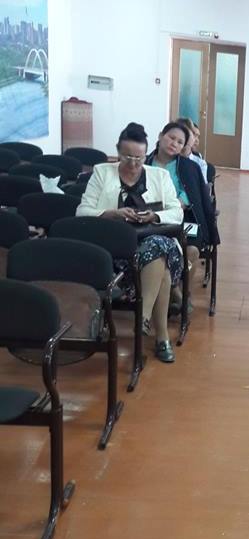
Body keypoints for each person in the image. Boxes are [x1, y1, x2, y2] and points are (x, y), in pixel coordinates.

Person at [76, 122, 183, 362]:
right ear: (117, 152)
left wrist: (154, 216)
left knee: (157, 246)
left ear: (146, 154)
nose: (133, 164)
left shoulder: (160, 176)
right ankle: (161, 337)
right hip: (115, 250)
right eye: (127, 157)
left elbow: (177, 212)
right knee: (162, 269)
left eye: (139, 158)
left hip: (152, 240)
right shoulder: (102, 172)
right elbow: (82, 211)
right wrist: (111, 213)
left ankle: (142, 318)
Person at [147, 122, 220, 312]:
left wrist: (173, 206)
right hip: (151, 218)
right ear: (161, 136)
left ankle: (182, 290)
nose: (174, 144)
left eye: (180, 142)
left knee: (192, 251)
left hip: (184, 217)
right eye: (171, 138)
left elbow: (190, 195)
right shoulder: (145, 162)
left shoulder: (189, 167)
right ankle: (173, 290)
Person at [176, 117, 208, 183]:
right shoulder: (170, 159)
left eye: (197, 136)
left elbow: (202, 186)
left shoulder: (200, 163)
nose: (196, 140)